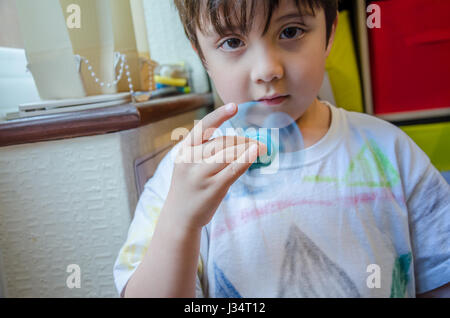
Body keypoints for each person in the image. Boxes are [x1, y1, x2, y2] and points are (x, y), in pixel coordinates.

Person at [113, 0, 449, 297]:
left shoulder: (390, 151)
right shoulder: (186, 173)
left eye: (290, 32)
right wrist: (179, 221)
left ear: (329, 34)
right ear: (202, 55)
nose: (267, 70)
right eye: (232, 41)